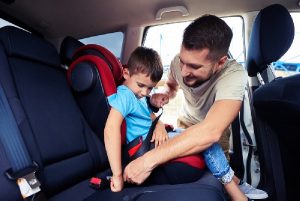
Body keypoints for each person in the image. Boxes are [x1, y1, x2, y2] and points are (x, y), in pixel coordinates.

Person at [123, 15, 268, 200]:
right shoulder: (177, 63)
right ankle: (236, 183)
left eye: (194, 66)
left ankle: (237, 186)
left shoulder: (233, 74)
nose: (183, 71)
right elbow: (173, 86)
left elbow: (210, 131)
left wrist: (146, 162)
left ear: (220, 62)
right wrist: (166, 95)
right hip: (185, 122)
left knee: (219, 174)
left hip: (213, 128)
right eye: (182, 61)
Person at [104, 46, 247, 201]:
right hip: (144, 147)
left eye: (150, 88)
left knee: (198, 134)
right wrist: (117, 174)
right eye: (141, 85)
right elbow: (111, 129)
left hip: (152, 140)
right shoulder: (125, 95)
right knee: (206, 142)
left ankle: (232, 180)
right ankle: (234, 188)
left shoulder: (136, 96)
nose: (145, 92)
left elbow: (150, 116)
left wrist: (159, 125)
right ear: (126, 73)